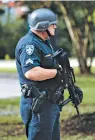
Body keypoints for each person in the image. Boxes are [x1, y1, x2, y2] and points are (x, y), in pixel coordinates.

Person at [15, 8, 62, 140]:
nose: (55, 26)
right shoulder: (29, 44)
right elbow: (31, 72)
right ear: (43, 26)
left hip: (50, 101)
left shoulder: (43, 42)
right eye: (53, 24)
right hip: (38, 103)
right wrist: (57, 73)